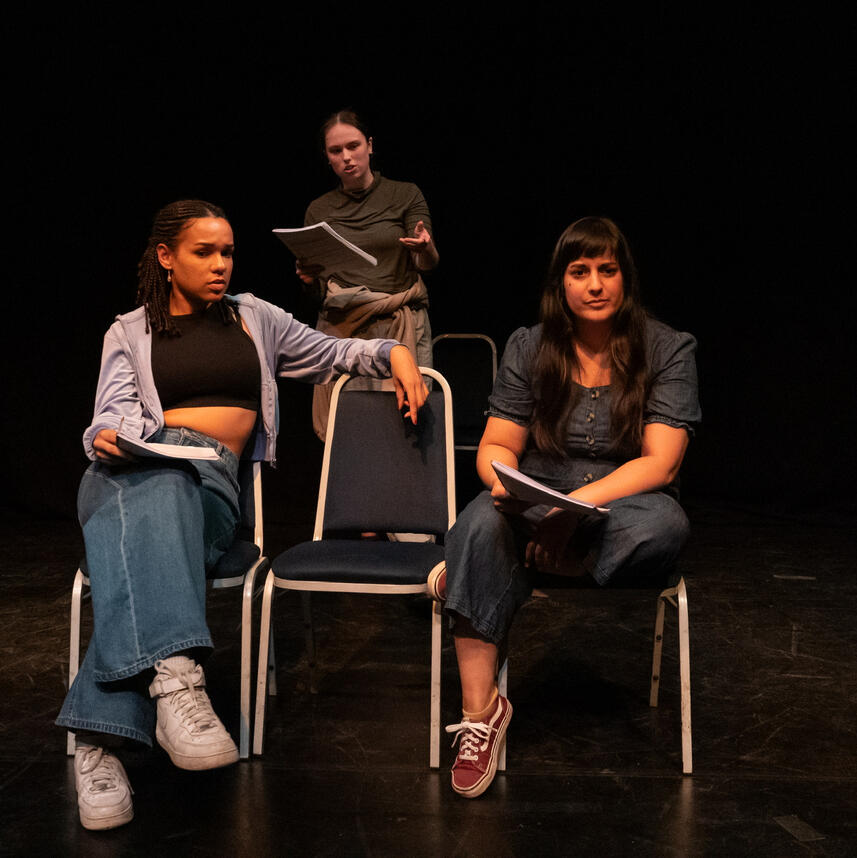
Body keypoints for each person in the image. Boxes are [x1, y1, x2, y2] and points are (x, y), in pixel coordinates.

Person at [56, 200, 428, 830]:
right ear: (166, 259)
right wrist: (109, 438)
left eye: (227, 251)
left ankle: (98, 742)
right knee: (154, 480)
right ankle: (176, 683)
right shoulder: (128, 331)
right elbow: (109, 414)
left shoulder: (255, 319)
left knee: (164, 497)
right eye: (204, 252)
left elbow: (330, 353)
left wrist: (390, 355)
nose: (221, 264)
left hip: (209, 485)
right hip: (124, 472)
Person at [432, 216, 700, 799]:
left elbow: (661, 464)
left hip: (624, 503)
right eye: (581, 272)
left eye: (608, 270)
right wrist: (508, 489)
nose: (596, 284)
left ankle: (512, 565)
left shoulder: (667, 347)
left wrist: (571, 513)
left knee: (665, 526)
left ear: (625, 278)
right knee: (479, 518)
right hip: (538, 496)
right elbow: (498, 446)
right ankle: (481, 715)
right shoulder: (531, 345)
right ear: (562, 283)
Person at [296, 110, 439, 439]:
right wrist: (308, 279)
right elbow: (318, 293)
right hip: (344, 326)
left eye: (353, 146)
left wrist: (423, 248)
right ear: (327, 157)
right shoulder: (319, 209)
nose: (346, 157)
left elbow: (429, 264)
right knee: (348, 427)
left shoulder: (404, 194)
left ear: (370, 146)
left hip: (398, 321)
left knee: (406, 423)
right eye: (335, 151)